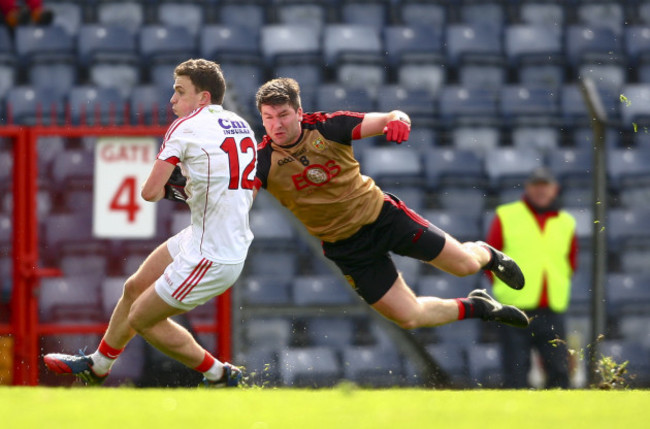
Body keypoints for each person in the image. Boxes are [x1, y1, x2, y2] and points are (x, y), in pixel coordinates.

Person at [253, 77, 529, 334]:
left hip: (384, 218)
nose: (277, 124)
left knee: (466, 265)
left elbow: (390, 116)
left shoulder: (329, 127)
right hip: (347, 248)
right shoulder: (260, 162)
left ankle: (488, 255)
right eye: (269, 118)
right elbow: (241, 198)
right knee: (409, 317)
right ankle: (479, 307)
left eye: (283, 115)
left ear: (299, 113)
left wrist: (399, 120)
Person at [43, 59, 258, 387]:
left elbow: (149, 192)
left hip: (210, 253)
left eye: (179, 91)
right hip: (212, 236)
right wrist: (193, 190)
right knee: (133, 288)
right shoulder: (241, 124)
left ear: (203, 97)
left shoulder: (185, 126)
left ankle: (219, 374)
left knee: (141, 318)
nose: (172, 99)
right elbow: (246, 193)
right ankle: (99, 365)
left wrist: (176, 189)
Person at [485, 167, 578, 388]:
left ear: (555, 190)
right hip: (514, 308)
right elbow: (489, 257)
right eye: (536, 186)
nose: (541, 191)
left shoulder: (566, 222)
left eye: (545, 186)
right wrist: (503, 286)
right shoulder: (506, 215)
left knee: (559, 370)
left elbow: (571, 261)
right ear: (528, 188)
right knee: (515, 370)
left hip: (552, 307)